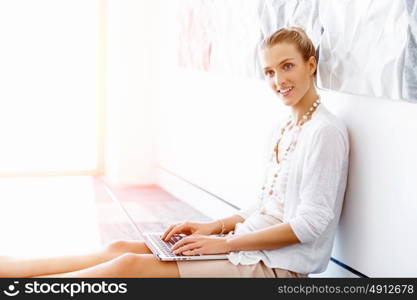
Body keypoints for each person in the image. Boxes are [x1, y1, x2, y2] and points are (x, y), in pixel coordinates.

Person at [0, 26, 349, 278]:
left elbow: (310, 224)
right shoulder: (283, 129)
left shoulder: (325, 132)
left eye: (287, 66)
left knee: (128, 268)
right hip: (244, 243)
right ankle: (9, 269)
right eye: (269, 71)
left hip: (278, 266)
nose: (278, 80)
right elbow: (265, 206)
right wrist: (211, 228)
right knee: (120, 249)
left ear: (311, 64)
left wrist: (223, 246)